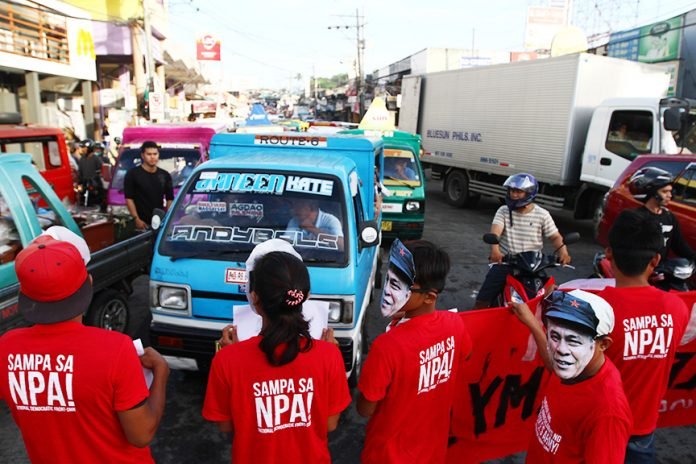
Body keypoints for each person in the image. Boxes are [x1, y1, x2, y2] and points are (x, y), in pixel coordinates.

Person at [0, 226, 170, 463]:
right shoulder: (115, 349)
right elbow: (141, 434)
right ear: (88, 283)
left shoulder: (7, 349)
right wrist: (161, 372)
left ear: (25, 295)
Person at [202, 242, 351, 464]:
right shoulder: (329, 355)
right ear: (305, 296)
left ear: (254, 297)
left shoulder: (227, 359)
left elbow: (226, 425)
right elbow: (330, 424)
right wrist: (331, 354)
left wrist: (230, 356)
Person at [357, 240, 472, 463]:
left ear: (429, 296)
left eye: (399, 286)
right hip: (432, 451)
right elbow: (465, 355)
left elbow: (365, 408)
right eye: (389, 279)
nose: (388, 291)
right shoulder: (454, 323)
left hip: (387, 455)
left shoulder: (387, 346)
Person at [599, 209, 690, 463]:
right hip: (643, 432)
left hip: (600, 429)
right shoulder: (676, 308)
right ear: (656, 260)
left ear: (609, 254)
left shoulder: (596, 308)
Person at [509, 289, 632, 463]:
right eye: (554, 336)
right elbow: (553, 365)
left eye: (574, 341)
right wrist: (532, 323)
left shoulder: (607, 413)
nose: (560, 350)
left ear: (603, 344)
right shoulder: (574, 367)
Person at [474, 173, 571, 308]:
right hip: (507, 262)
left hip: (534, 266)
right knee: (483, 299)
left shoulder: (542, 214)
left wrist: (563, 253)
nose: (514, 195)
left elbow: (555, 237)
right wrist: (495, 252)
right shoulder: (503, 211)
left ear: (530, 193)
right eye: (512, 191)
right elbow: (495, 233)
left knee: (551, 299)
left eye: (518, 192)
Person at [628, 166, 696, 262]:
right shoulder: (635, 218)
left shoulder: (669, 217)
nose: (670, 195)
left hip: (659, 271)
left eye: (670, 191)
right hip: (638, 270)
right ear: (652, 193)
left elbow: (680, 246)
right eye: (665, 192)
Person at [124, 141, 174, 230]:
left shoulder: (165, 175)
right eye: (149, 154)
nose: (152, 157)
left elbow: (169, 199)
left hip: (159, 223)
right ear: (143, 155)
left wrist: (167, 219)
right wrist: (136, 219)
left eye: (155, 154)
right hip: (141, 224)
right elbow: (129, 199)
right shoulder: (132, 174)